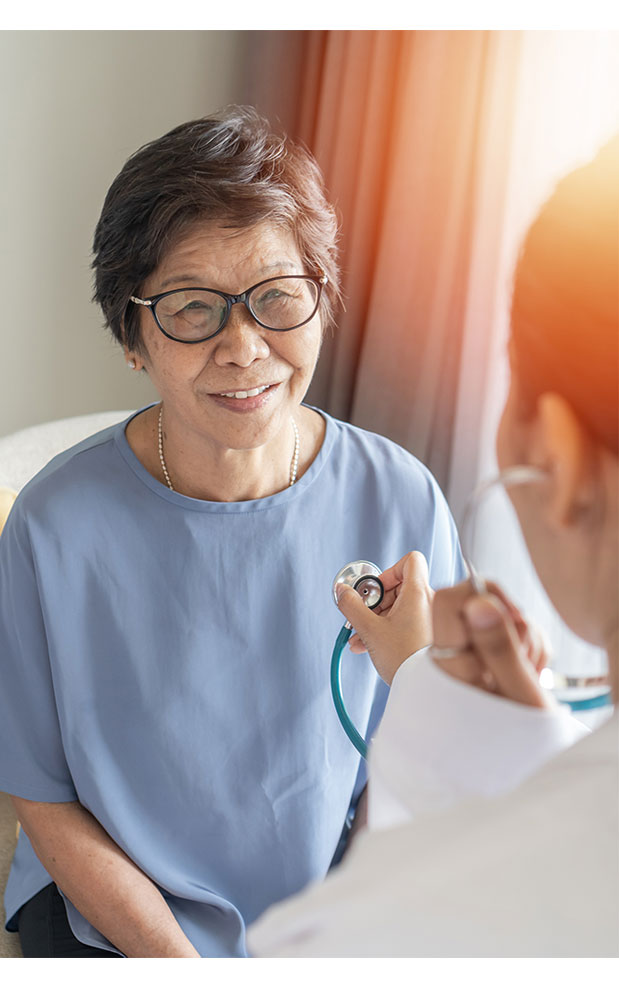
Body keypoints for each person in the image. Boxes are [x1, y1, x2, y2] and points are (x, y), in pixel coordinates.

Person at [0, 107, 463, 957]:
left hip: (328, 918)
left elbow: (433, 759)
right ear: (133, 334)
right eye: (191, 309)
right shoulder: (52, 528)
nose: (244, 347)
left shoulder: (402, 498)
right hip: (117, 924)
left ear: (321, 303)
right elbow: (42, 797)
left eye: (277, 299)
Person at [248, 136, 619, 957]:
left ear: (553, 461)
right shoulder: (57, 521)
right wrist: (521, 755)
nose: (241, 346)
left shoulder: (357, 939)